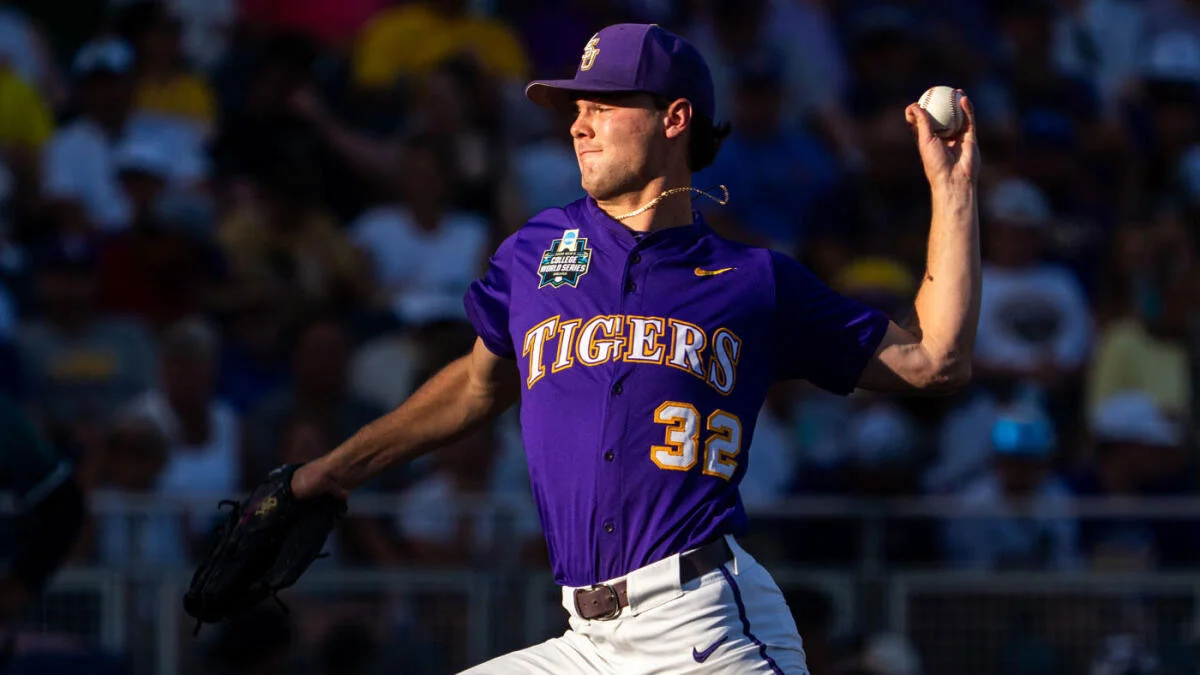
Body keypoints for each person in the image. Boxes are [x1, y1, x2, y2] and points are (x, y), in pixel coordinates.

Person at [289, 23, 980, 673]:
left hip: (702, 627)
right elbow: (476, 386)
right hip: (582, 641)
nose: (578, 123)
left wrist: (951, 192)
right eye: (574, 107)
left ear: (674, 119)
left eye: (603, 104)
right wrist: (332, 471)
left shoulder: (752, 280)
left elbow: (933, 361)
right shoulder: (535, 253)